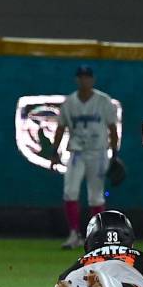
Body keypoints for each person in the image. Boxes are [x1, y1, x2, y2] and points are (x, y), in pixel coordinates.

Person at [50, 65, 119, 249]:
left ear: (93, 80)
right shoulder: (70, 102)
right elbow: (61, 127)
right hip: (76, 153)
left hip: (98, 153)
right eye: (81, 77)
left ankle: (97, 236)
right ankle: (74, 234)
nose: (84, 80)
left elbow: (112, 128)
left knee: (96, 197)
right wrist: (54, 151)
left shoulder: (103, 101)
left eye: (87, 77)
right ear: (77, 80)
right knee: (70, 192)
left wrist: (115, 155)